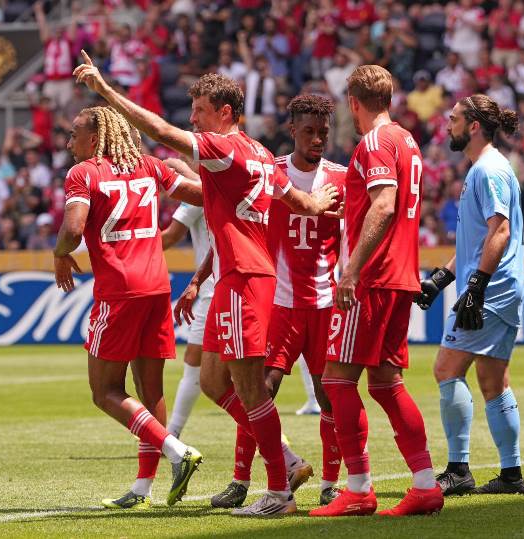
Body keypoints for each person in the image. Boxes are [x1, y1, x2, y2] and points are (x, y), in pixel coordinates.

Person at [75, 55, 338, 516]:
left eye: (199, 110)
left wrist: (106, 91)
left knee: (253, 388)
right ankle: (286, 463)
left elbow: (160, 132)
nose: (192, 118)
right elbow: (289, 197)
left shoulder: (226, 148)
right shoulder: (257, 152)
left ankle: (279, 492)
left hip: (244, 278)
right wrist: (314, 204)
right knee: (216, 381)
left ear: (225, 112)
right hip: (235, 278)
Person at [53, 105, 205, 511]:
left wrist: (58, 253)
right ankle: (142, 488)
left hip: (119, 291)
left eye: (75, 135)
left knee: (104, 392)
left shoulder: (83, 174)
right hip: (157, 287)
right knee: (149, 389)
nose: (69, 143)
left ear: (96, 138)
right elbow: (201, 195)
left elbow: (71, 229)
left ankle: (177, 452)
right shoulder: (149, 166)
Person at [310, 65, 442, 518]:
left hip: (373, 278)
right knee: (386, 383)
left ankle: (359, 488)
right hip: (402, 275)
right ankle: (425, 485)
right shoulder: (408, 140)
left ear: (353, 103)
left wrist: (350, 271)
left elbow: (384, 204)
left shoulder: (374, 143)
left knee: (337, 379)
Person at [207, 94, 347, 509]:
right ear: (293, 132)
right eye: (309, 132)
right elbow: (243, 229)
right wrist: (201, 276)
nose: (318, 139)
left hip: (324, 303)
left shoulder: (340, 178)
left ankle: (331, 484)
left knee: (329, 395)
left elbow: (351, 236)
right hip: (279, 303)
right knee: (255, 388)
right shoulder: (272, 172)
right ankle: (241, 479)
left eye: (323, 132)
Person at [414, 94, 524, 496]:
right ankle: (512, 475)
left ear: (474, 125)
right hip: (502, 288)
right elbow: (476, 241)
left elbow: (500, 231)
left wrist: (476, 287)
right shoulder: (489, 168)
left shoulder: (488, 170)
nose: (448, 124)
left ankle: (458, 469)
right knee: (492, 380)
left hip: (491, 290)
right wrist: (442, 280)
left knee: (446, 369)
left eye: (455, 118)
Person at [159, 173, 212, 440]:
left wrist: (128, 247)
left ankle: (171, 435)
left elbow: (169, 237)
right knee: (239, 371)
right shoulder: (221, 187)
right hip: (236, 285)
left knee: (195, 365)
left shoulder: (194, 198)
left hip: (211, 289)